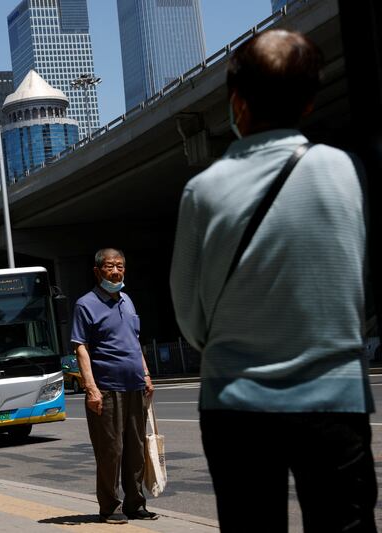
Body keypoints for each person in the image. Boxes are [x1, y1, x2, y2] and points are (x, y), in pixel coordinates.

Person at [169, 29, 376, 532]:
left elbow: (190, 316)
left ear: (237, 102)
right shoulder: (346, 171)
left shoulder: (202, 191)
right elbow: (364, 289)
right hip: (335, 399)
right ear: (308, 102)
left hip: (235, 405)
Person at [70, 248, 157, 524]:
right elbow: (80, 347)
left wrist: (145, 374)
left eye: (120, 266)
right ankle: (110, 507)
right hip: (106, 389)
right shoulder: (86, 304)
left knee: (135, 449)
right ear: (97, 271)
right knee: (111, 451)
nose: (116, 271)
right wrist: (91, 388)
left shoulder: (128, 301)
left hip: (134, 386)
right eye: (110, 267)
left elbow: (134, 340)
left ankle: (135, 503)